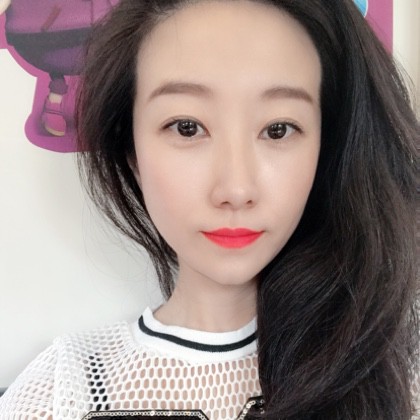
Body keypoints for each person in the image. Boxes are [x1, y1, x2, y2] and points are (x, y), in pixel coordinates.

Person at [0, 0, 418, 418]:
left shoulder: (399, 375)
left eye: (278, 129)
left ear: (327, 148)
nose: (235, 189)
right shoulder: (60, 392)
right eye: (187, 127)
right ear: (132, 151)